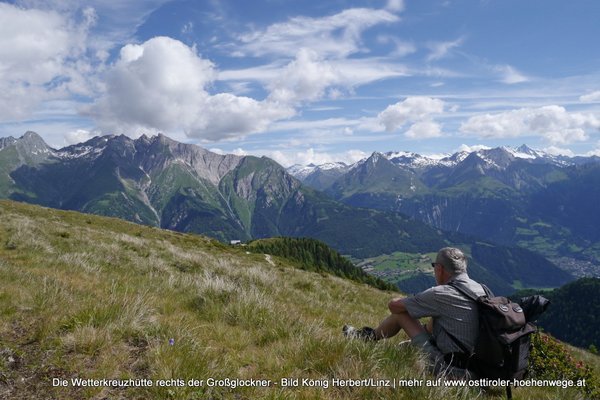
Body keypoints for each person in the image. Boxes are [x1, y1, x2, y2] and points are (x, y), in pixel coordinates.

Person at [343, 247, 485, 375]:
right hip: (480, 371)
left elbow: (394, 306)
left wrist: (414, 301)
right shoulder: (482, 290)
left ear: (440, 269)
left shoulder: (441, 293)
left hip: (452, 371)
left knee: (401, 315)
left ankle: (367, 338)